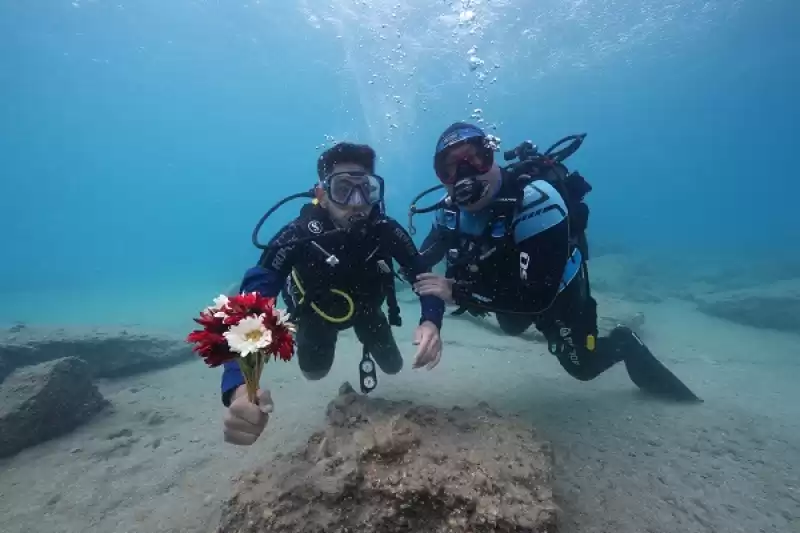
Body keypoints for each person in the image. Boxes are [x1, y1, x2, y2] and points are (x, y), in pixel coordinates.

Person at [410, 122, 700, 402]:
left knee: (582, 367)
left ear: (492, 157)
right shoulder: (449, 213)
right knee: (511, 326)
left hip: (557, 294)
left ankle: (624, 342)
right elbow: (422, 271)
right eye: (450, 168)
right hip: (504, 293)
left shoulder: (537, 203)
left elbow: (537, 299)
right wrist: (430, 320)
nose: (465, 174)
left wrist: (457, 292)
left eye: (476, 159)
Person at [222, 142, 446, 445]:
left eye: (365, 188)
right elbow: (251, 307)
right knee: (314, 372)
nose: (356, 202)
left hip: (369, 311)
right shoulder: (298, 234)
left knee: (393, 366)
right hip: (316, 316)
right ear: (322, 194)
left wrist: (431, 320)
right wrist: (240, 385)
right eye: (343, 189)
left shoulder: (386, 231)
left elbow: (423, 275)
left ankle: (369, 341)